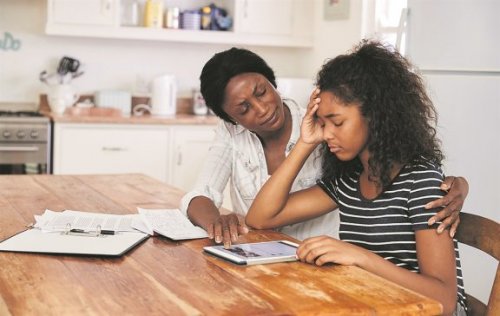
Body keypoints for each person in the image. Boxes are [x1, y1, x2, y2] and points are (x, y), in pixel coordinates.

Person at [246, 40, 466, 315]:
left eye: (336, 122)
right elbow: (259, 218)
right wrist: (305, 142)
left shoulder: (419, 182)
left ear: (375, 115)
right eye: (322, 124)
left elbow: (445, 300)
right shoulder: (348, 181)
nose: (326, 135)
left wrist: (359, 257)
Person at [180, 47, 469, 248]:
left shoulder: (330, 128)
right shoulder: (340, 173)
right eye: (244, 108)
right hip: (279, 262)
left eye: (262, 91)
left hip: (326, 263)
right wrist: (216, 222)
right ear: (232, 119)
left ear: (272, 82)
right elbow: (215, 198)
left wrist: (458, 185)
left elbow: (403, 172)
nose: (262, 108)